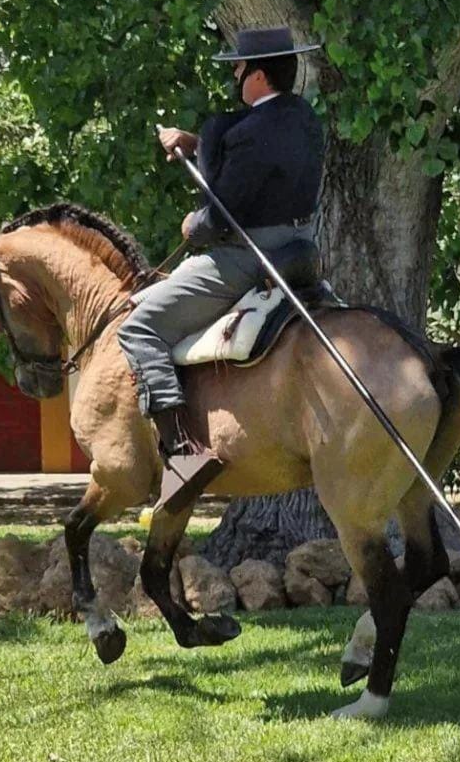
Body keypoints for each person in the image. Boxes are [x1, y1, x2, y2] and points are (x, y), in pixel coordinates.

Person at [118, 26, 324, 511]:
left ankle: (183, 455)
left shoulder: (250, 133)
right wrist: (197, 146)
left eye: (238, 69)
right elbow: (261, 165)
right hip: (298, 246)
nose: (234, 77)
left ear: (257, 76)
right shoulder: (303, 118)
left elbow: (220, 215)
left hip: (244, 257)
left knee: (139, 328)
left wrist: (194, 225)